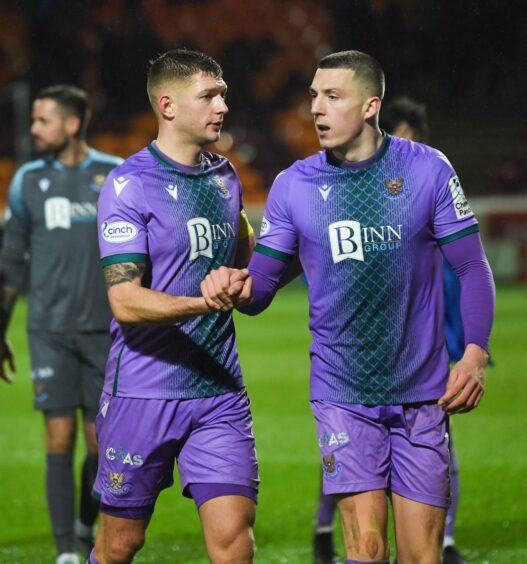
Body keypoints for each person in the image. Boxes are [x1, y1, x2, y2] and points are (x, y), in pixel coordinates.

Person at [201, 51, 495, 564]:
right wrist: (232, 284)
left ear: (369, 106)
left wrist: (472, 355)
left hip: (423, 394)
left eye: (332, 96)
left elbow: (471, 267)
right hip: (342, 392)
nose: (316, 108)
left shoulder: (427, 170)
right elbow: (261, 290)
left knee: (422, 556)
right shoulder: (295, 185)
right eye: (314, 95)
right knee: (367, 549)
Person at [88, 48, 258, 564]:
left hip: (219, 391)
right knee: (121, 543)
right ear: (167, 105)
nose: (222, 105)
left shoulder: (226, 177)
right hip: (144, 392)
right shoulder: (128, 185)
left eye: (223, 93)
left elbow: (246, 258)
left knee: (234, 543)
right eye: (208, 95)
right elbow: (125, 301)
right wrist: (202, 302)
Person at [312, 96, 470, 564]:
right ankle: (324, 528)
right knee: (361, 509)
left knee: (439, 466)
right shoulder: (347, 193)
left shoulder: (428, 187)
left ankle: (443, 539)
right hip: (353, 371)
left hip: (425, 364)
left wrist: (471, 349)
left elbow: (465, 274)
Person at [0, 85, 122, 564]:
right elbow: (10, 264)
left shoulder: (112, 174)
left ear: (72, 124)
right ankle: (67, 550)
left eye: (42, 120)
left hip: (106, 331)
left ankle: (83, 523)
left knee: (100, 443)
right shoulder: (27, 180)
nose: (33, 130)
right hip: (48, 330)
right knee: (59, 435)